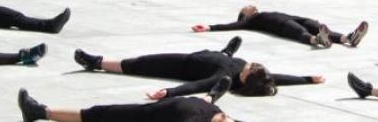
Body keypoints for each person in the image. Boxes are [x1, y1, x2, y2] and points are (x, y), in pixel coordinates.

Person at [72, 36, 324, 98]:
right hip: (214, 56)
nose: (254, 64)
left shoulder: (225, 77)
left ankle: (95, 62)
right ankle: (227, 50)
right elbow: (278, 78)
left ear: (246, 79)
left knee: (141, 63)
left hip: (183, 64)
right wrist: (306, 78)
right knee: (224, 54)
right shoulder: (254, 73)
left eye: (252, 68)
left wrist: (168, 93)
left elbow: (197, 86)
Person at [17, 77, 239, 122]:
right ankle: (212, 95)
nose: (225, 119)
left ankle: (39, 112)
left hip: (149, 115)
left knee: (98, 114)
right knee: (207, 103)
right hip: (199, 104)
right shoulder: (219, 117)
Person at [192, 4, 368, 48]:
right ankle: (318, 41)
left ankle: (348, 38)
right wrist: (209, 27)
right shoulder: (251, 20)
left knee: (316, 26)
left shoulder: (261, 13)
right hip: (282, 25)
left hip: (295, 18)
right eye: (246, 7)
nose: (251, 4)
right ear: (244, 15)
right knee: (300, 33)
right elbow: (232, 25)